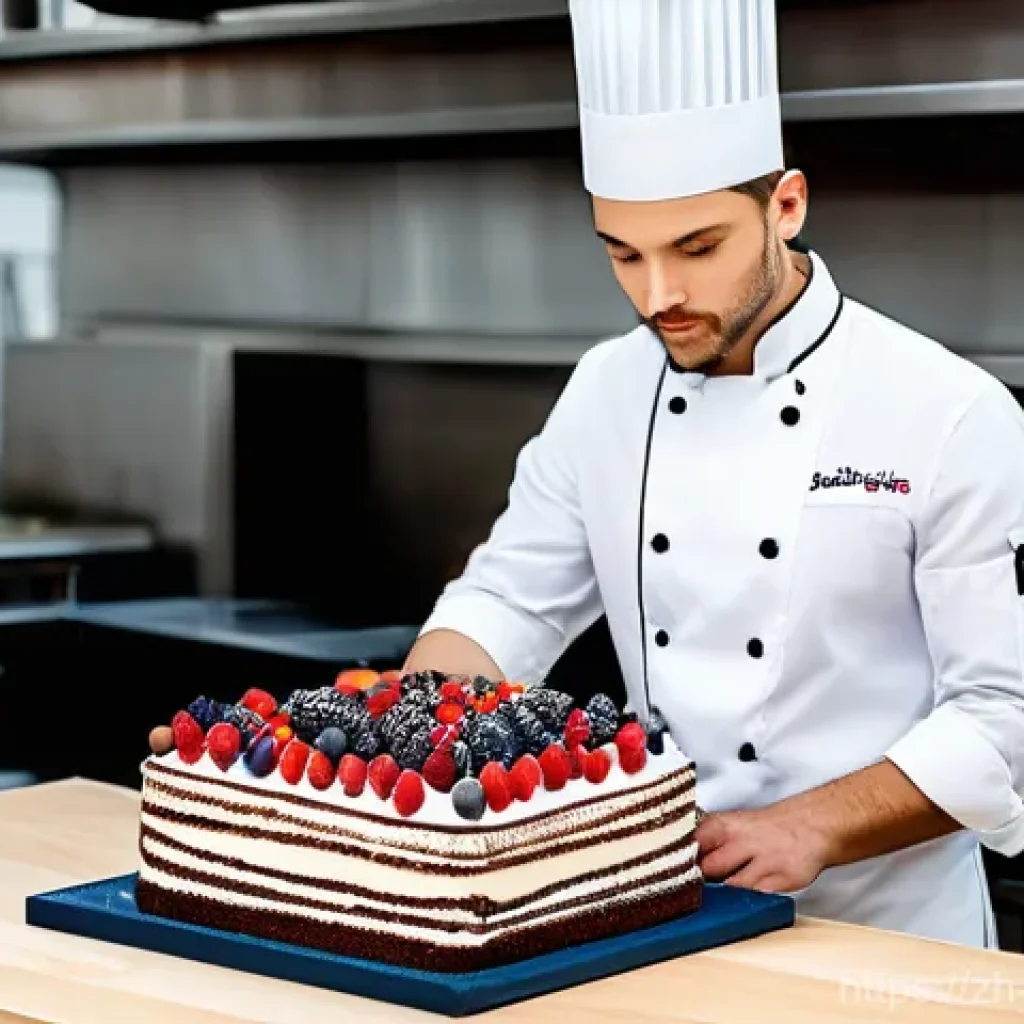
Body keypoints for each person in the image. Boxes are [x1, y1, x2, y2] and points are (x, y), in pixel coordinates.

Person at [150, 0, 1024, 947]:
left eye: (698, 248)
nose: (658, 295)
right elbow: (509, 601)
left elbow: (1004, 714)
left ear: (787, 206)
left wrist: (807, 826)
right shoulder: (609, 387)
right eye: (623, 253)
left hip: (888, 941)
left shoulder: (950, 412)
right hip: (663, 909)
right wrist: (406, 734)